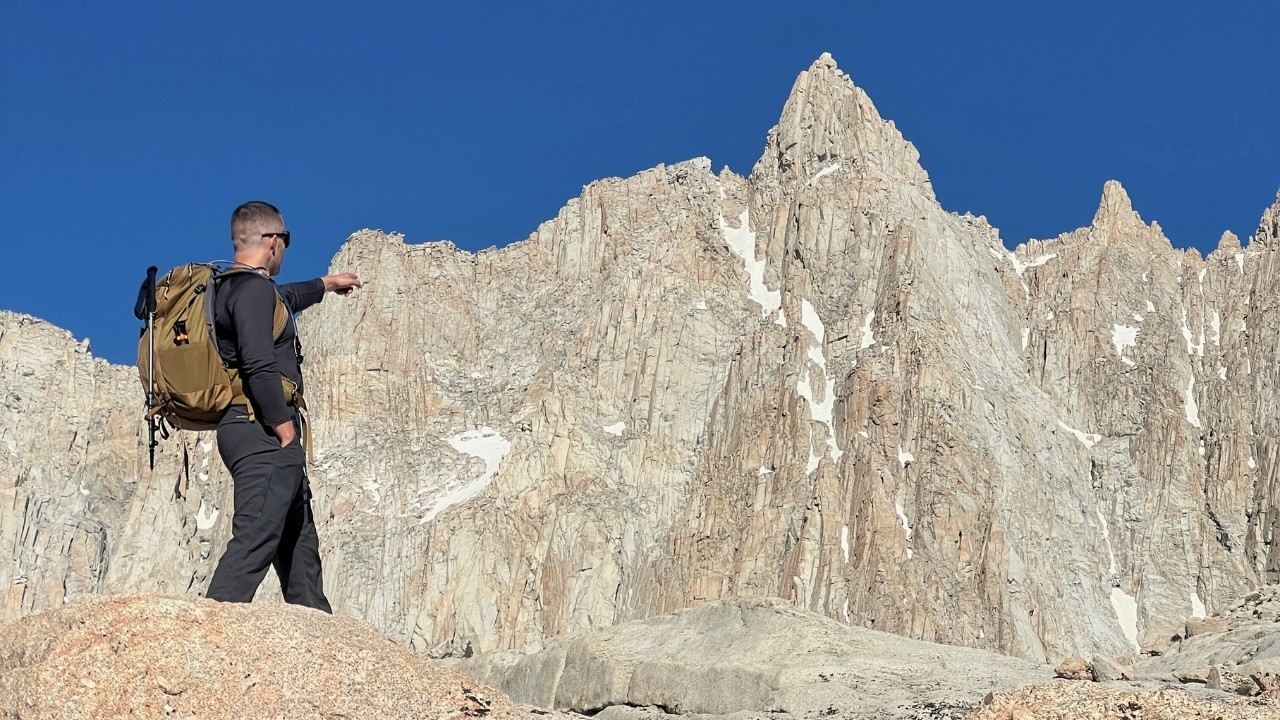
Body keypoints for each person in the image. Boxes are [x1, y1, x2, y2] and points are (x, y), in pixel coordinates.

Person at [204, 200, 362, 612]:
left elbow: (285, 297)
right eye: (286, 240)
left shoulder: (233, 288)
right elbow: (258, 363)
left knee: (299, 549)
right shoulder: (253, 291)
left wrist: (326, 284)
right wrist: (284, 428)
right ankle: (209, 634)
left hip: (250, 428)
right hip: (263, 429)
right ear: (274, 241)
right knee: (256, 535)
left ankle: (320, 639)